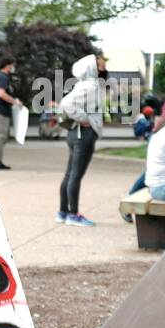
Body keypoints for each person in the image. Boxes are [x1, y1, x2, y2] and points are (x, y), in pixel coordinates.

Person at [56, 53, 108, 226]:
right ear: (92, 68)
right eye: (100, 65)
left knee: (69, 174)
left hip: (74, 134)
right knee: (75, 176)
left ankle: (63, 212)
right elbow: (67, 103)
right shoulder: (91, 86)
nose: (104, 68)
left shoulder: (82, 84)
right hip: (83, 135)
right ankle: (73, 214)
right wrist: (84, 118)